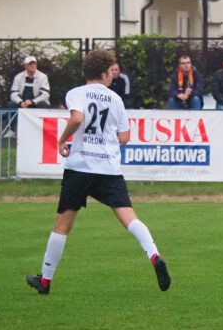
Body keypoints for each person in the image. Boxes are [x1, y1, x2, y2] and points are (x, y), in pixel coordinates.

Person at [26, 48, 170, 295]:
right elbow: (124, 138)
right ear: (104, 73)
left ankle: (46, 281)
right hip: (107, 168)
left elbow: (77, 118)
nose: (113, 76)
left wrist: (61, 140)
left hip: (80, 167)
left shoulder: (76, 93)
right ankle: (154, 256)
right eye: (111, 72)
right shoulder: (115, 99)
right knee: (130, 218)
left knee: (62, 224)